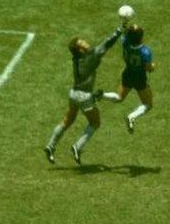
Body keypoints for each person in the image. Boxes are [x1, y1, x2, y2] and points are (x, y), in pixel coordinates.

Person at [43, 24, 125, 164]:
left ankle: (50, 145)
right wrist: (119, 30)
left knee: (67, 120)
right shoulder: (91, 56)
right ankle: (77, 146)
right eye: (83, 43)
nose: (87, 42)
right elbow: (107, 43)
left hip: (73, 94)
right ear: (80, 49)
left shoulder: (76, 58)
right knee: (95, 122)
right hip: (84, 96)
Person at [101, 24, 156, 133]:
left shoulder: (125, 42)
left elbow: (125, 34)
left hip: (127, 73)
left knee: (119, 97)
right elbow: (149, 68)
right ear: (141, 37)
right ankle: (132, 116)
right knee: (148, 104)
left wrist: (125, 23)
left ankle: (101, 95)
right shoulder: (145, 51)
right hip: (139, 78)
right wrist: (153, 66)